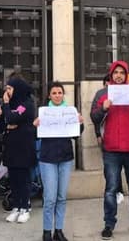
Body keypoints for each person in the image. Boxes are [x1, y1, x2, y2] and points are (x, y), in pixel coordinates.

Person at [90, 60, 129, 240]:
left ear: (126, 75)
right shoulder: (101, 94)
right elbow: (94, 117)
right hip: (111, 149)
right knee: (110, 189)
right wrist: (103, 109)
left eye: (121, 73)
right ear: (110, 74)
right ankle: (109, 224)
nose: (118, 76)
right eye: (115, 72)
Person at [33, 81, 84, 241]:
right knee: (50, 197)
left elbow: (76, 135)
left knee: (62, 197)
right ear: (49, 95)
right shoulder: (43, 112)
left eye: (59, 93)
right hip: (47, 158)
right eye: (54, 93)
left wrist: (80, 124)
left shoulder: (70, 112)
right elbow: (35, 135)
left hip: (65, 158)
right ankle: (47, 231)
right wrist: (35, 126)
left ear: (63, 95)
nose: (57, 95)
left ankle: (59, 230)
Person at [0, 77, 37, 224]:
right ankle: (16, 206)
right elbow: (1, 123)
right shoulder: (9, 105)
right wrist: (8, 121)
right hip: (11, 147)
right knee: (13, 178)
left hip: (24, 147)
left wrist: (7, 110)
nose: (7, 92)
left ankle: (25, 207)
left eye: (10, 89)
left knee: (23, 178)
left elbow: (11, 118)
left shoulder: (26, 104)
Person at [94, 74, 125, 205]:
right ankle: (114, 192)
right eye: (106, 84)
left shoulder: (127, 96)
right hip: (108, 139)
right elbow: (96, 119)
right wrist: (98, 135)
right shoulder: (101, 97)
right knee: (111, 169)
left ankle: (120, 191)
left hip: (124, 140)